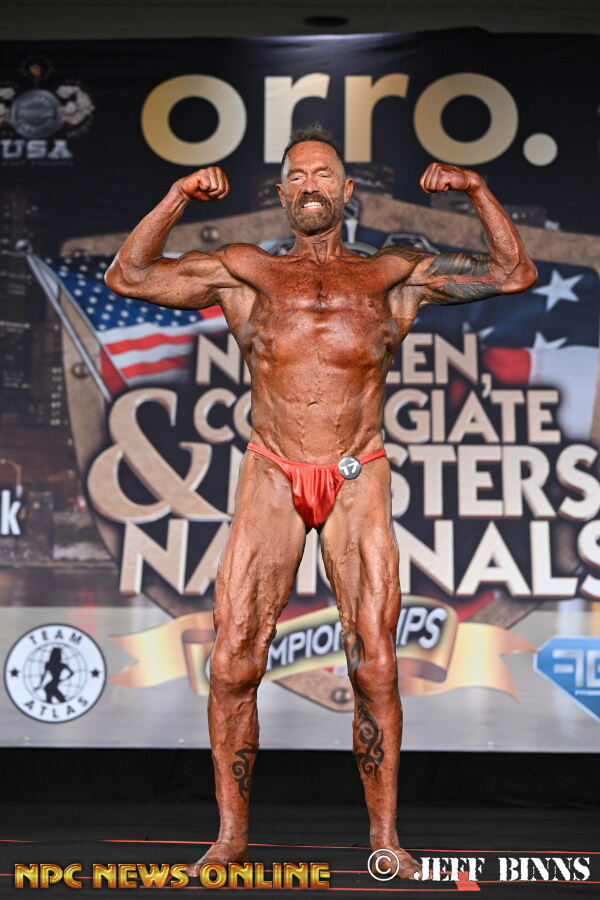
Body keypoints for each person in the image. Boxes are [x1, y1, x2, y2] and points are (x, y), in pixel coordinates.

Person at [105, 124, 537, 880]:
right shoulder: (245, 272)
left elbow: (514, 271)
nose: (311, 185)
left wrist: (475, 189)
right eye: (298, 176)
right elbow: (128, 277)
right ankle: (230, 839)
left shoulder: (392, 275)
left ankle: (385, 841)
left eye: (324, 175)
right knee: (234, 660)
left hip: (356, 472)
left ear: (346, 191)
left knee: (377, 663)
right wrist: (177, 196)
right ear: (282, 194)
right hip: (272, 470)